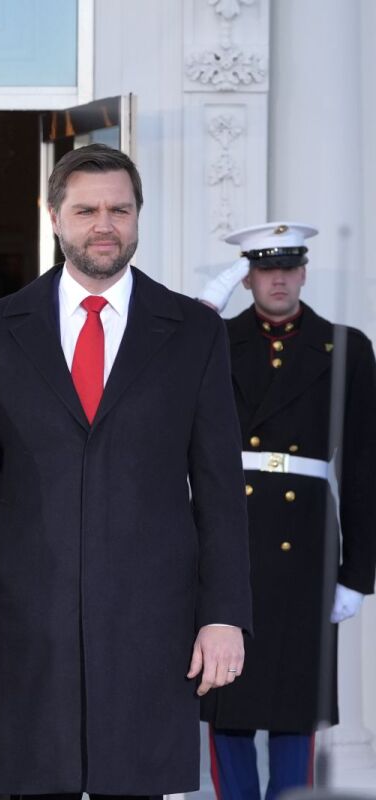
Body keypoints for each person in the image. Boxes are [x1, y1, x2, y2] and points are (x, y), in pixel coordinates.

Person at [0, 143, 252, 799]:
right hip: (26, 625)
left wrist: (224, 614)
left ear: (138, 216)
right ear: (55, 217)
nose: (104, 225)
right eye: (86, 209)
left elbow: (218, 491)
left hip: (153, 627)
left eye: (119, 209)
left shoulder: (194, 334)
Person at [196, 222, 376, 800]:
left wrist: (357, 572)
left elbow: (366, 466)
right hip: (230, 537)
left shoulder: (346, 347)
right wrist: (202, 315)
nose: (278, 278)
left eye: (289, 267)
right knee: (230, 700)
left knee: (296, 706)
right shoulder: (215, 341)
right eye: (265, 269)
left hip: (306, 547)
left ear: (303, 272)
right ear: (247, 278)